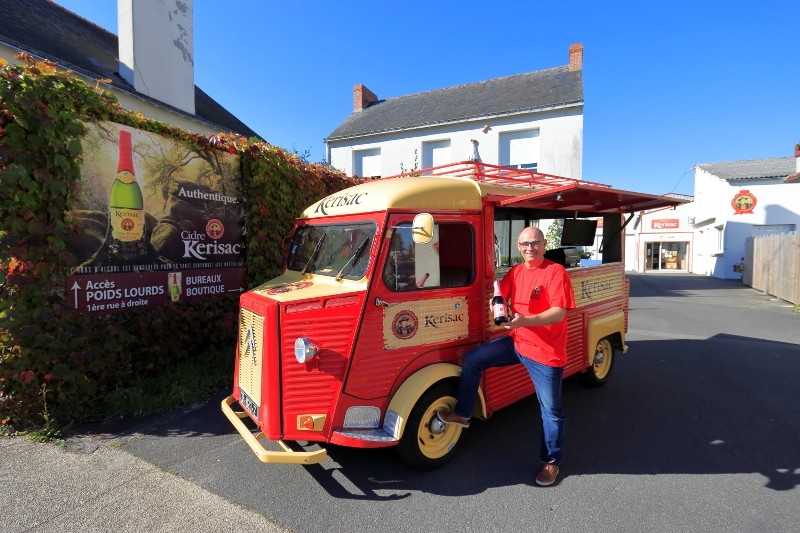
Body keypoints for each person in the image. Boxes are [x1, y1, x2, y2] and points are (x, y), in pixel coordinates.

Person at [437, 226, 576, 486]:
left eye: (534, 243)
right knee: (473, 359)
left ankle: (552, 462)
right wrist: (494, 306)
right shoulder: (516, 271)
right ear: (518, 247)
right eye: (524, 244)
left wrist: (526, 320)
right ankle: (464, 413)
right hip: (517, 342)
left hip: (545, 353)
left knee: (552, 412)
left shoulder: (555, 272)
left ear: (544, 244)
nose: (529, 248)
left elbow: (559, 312)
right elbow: (500, 296)